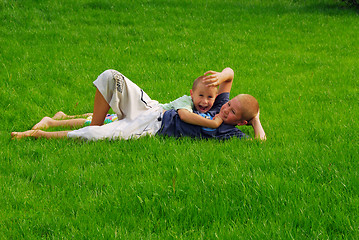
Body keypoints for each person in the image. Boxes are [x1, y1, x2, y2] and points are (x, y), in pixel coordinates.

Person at [11, 68, 266, 140]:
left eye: (232, 111)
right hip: (154, 110)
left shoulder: (229, 131)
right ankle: (95, 123)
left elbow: (260, 142)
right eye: (228, 103)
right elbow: (230, 73)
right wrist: (221, 77)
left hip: (150, 128)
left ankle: (38, 133)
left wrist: (255, 118)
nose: (224, 107)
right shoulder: (216, 107)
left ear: (240, 122)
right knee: (111, 77)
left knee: (96, 134)